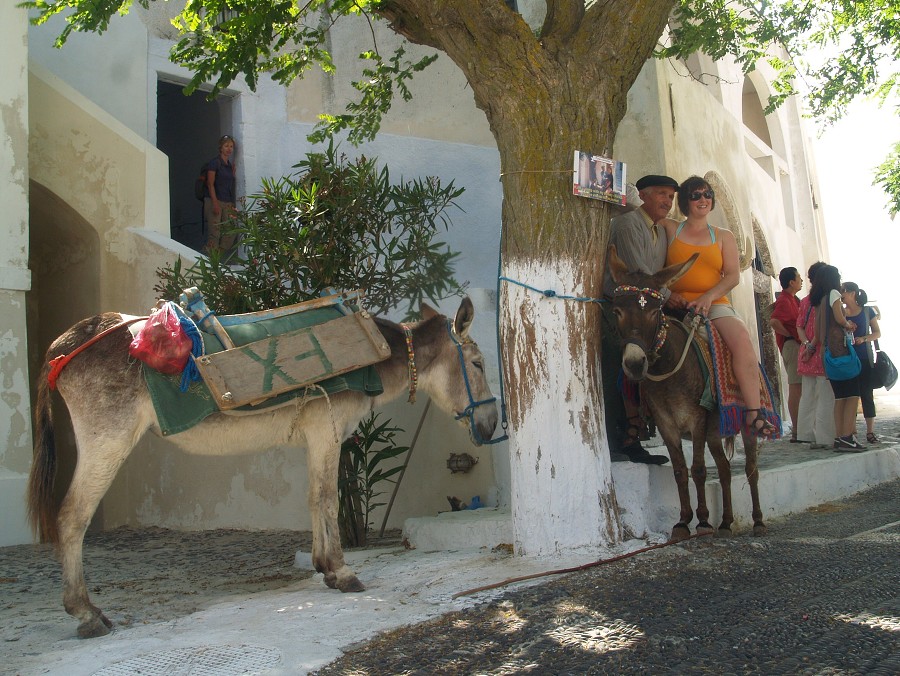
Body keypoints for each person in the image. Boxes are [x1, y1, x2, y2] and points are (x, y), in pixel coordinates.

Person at [661, 176, 776, 438]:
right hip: (673, 304)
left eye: (707, 194)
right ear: (685, 201)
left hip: (713, 304)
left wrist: (708, 298)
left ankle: (753, 413)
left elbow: (733, 276)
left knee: (743, 341)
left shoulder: (724, 236)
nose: (703, 199)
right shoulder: (670, 228)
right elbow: (640, 210)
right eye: (696, 195)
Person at [601, 174, 688, 464]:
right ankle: (626, 437)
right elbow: (638, 273)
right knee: (621, 368)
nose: (667, 201)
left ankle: (649, 428)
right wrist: (669, 296)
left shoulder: (660, 232)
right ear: (643, 195)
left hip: (649, 307)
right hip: (622, 309)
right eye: (662, 194)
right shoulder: (627, 224)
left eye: (671, 197)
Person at [806, 265, 864, 451]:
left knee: (839, 397)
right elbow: (839, 318)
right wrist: (848, 324)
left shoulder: (818, 300)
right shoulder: (833, 294)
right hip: (840, 351)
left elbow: (816, 330)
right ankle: (847, 437)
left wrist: (811, 348)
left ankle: (840, 437)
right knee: (852, 394)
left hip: (827, 352)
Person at [796, 261, 835, 448]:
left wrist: (805, 345)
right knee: (825, 397)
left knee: (807, 396)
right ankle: (825, 437)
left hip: (806, 355)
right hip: (820, 355)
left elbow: (799, 326)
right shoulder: (825, 300)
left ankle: (805, 434)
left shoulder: (805, 301)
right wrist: (812, 346)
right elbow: (820, 332)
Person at [841, 281, 882, 443]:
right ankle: (852, 430)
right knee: (851, 394)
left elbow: (877, 333)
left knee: (866, 394)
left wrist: (863, 339)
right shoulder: (841, 313)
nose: (841, 295)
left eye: (843, 291)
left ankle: (870, 431)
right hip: (847, 359)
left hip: (864, 357)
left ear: (852, 293)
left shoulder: (867, 311)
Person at [770, 267, 803, 441]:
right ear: (791, 282)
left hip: (795, 344)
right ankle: (797, 430)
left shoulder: (793, 299)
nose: (801, 280)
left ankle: (800, 427)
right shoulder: (785, 300)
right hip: (792, 345)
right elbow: (774, 321)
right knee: (796, 387)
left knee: (800, 387)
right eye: (798, 278)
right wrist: (789, 335)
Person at [204, 134, 238, 254]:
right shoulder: (214, 163)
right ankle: (210, 259)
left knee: (231, 230)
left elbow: (228, 184)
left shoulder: (229, 166)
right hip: (214, 200)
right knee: (215, 232)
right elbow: (210, 183)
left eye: (231, 146)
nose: (229, 149)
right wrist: (215, 203)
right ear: (221, 147)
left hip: (226, 201)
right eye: (226, 146)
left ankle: (217, 255)